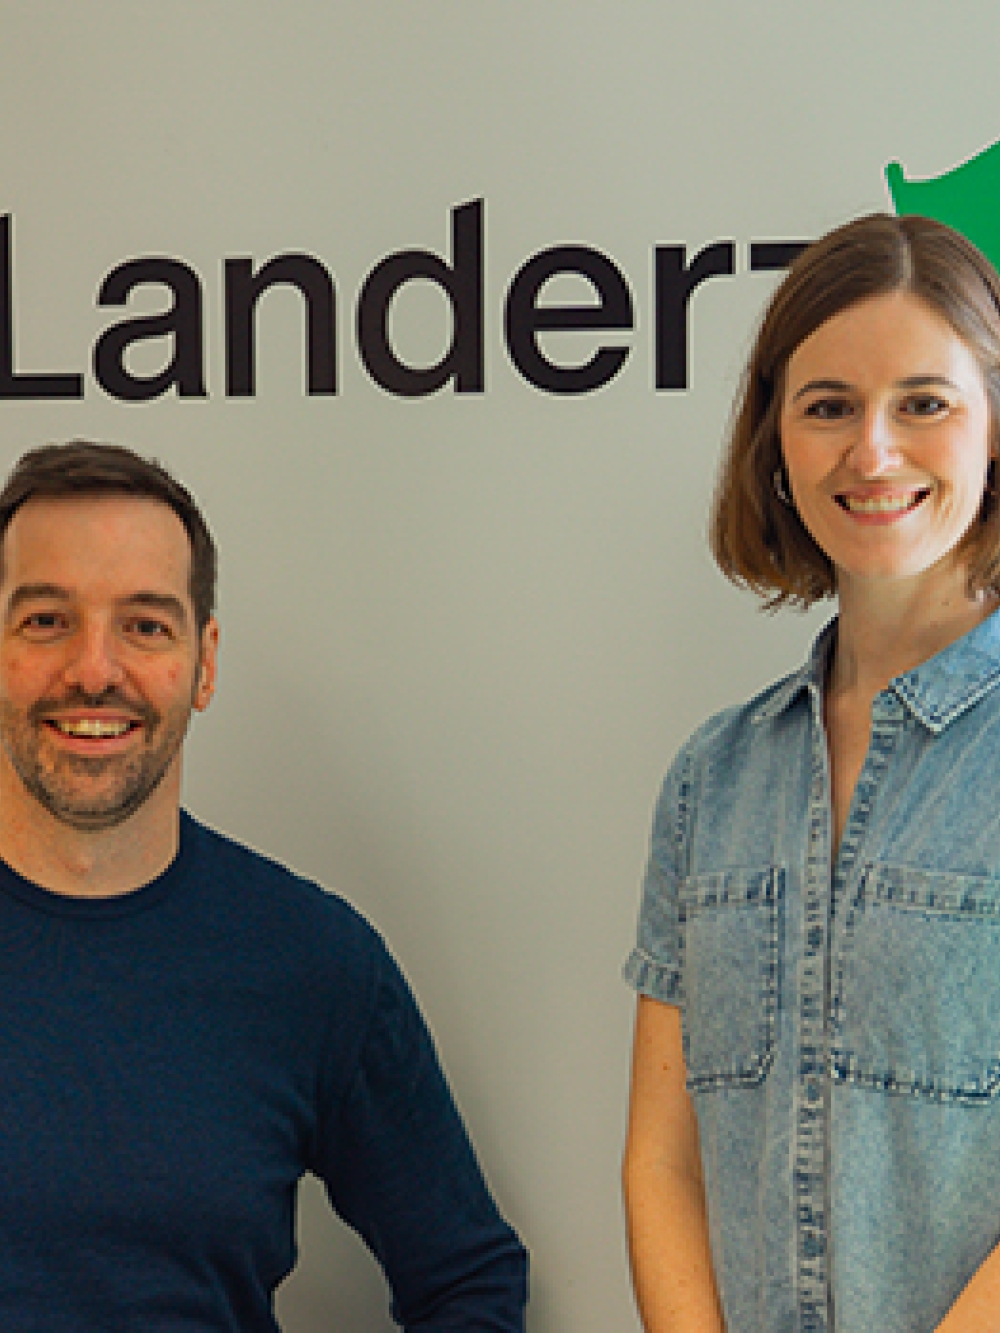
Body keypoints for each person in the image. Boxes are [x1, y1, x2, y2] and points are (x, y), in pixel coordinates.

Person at [0, 440, 528, 1331]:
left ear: (203, 662)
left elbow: (468, 1279)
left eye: (146, 624)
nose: (94, 669)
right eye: (46, 620)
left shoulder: (310, 962)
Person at [622, 213, 1000, 1333]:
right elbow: (664, 1160)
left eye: (922, 402)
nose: (871, 452)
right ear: (772, 444)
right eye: (827, 405)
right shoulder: (714, 776)